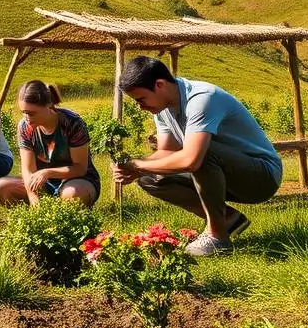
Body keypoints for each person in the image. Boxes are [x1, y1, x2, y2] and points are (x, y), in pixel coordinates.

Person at [113, 56, 282, 256]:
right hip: (225, 173)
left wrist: (138, 165)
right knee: (150, 177)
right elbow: (167, 150)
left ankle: (217, 237)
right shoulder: (162, 108)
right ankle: (227, 220)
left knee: (201, 153)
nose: (141, 107)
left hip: (261, 175)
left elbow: (192, 160)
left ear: (159, 85)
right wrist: (135, 168)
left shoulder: (202, 98)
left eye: (141, 99)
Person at [0, 80, 100, 207]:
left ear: (48, 105)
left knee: (73, 194)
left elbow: (80, 168)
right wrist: (33, 199)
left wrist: (47, 172)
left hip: (76, 180)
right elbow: (28, 171)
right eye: (23, 112)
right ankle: (45, 209)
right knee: (1, 187)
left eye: (31, 113)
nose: (26, 118)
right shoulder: (24, 127)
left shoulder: (72, 123)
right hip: (42, 183)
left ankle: (63, 211)